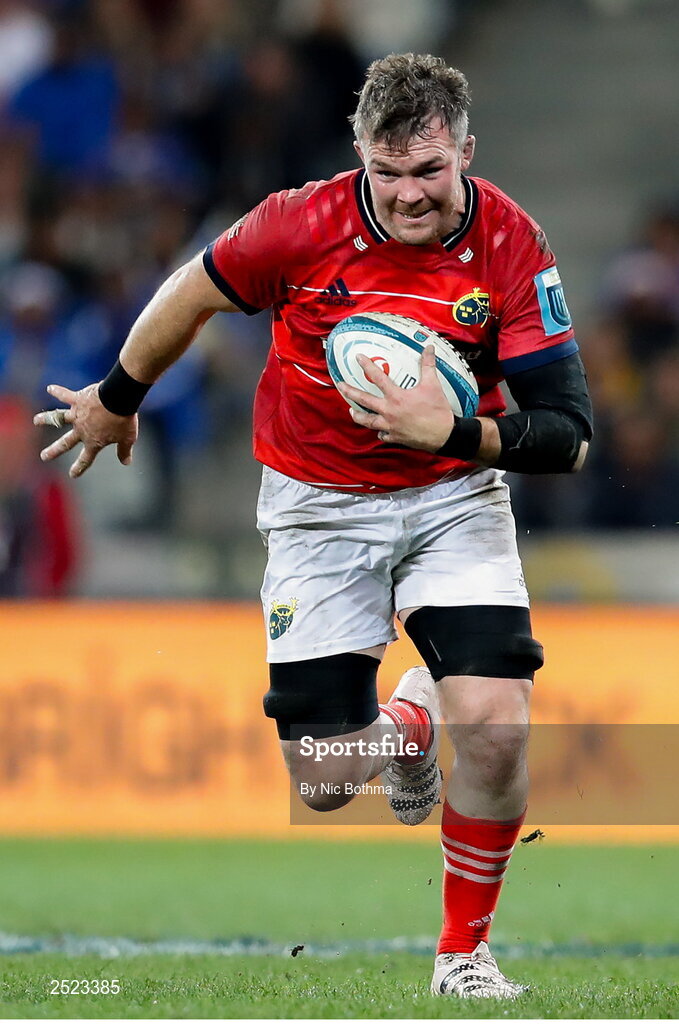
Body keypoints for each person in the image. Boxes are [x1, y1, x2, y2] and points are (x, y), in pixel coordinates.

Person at [34, 53, 592, 1000]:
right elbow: (193, 289)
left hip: (453, 496)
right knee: (325, 781)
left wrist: (451, 431)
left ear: (465, 150)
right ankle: (410, 723)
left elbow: (570, 436)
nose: (410, 196)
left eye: (430, 172)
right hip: (316, 505)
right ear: (359, 159)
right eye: (389, 174)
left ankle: (463, 955)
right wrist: (118, 397)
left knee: (496, 729)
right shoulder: (298, 223)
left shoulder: (510, 243)